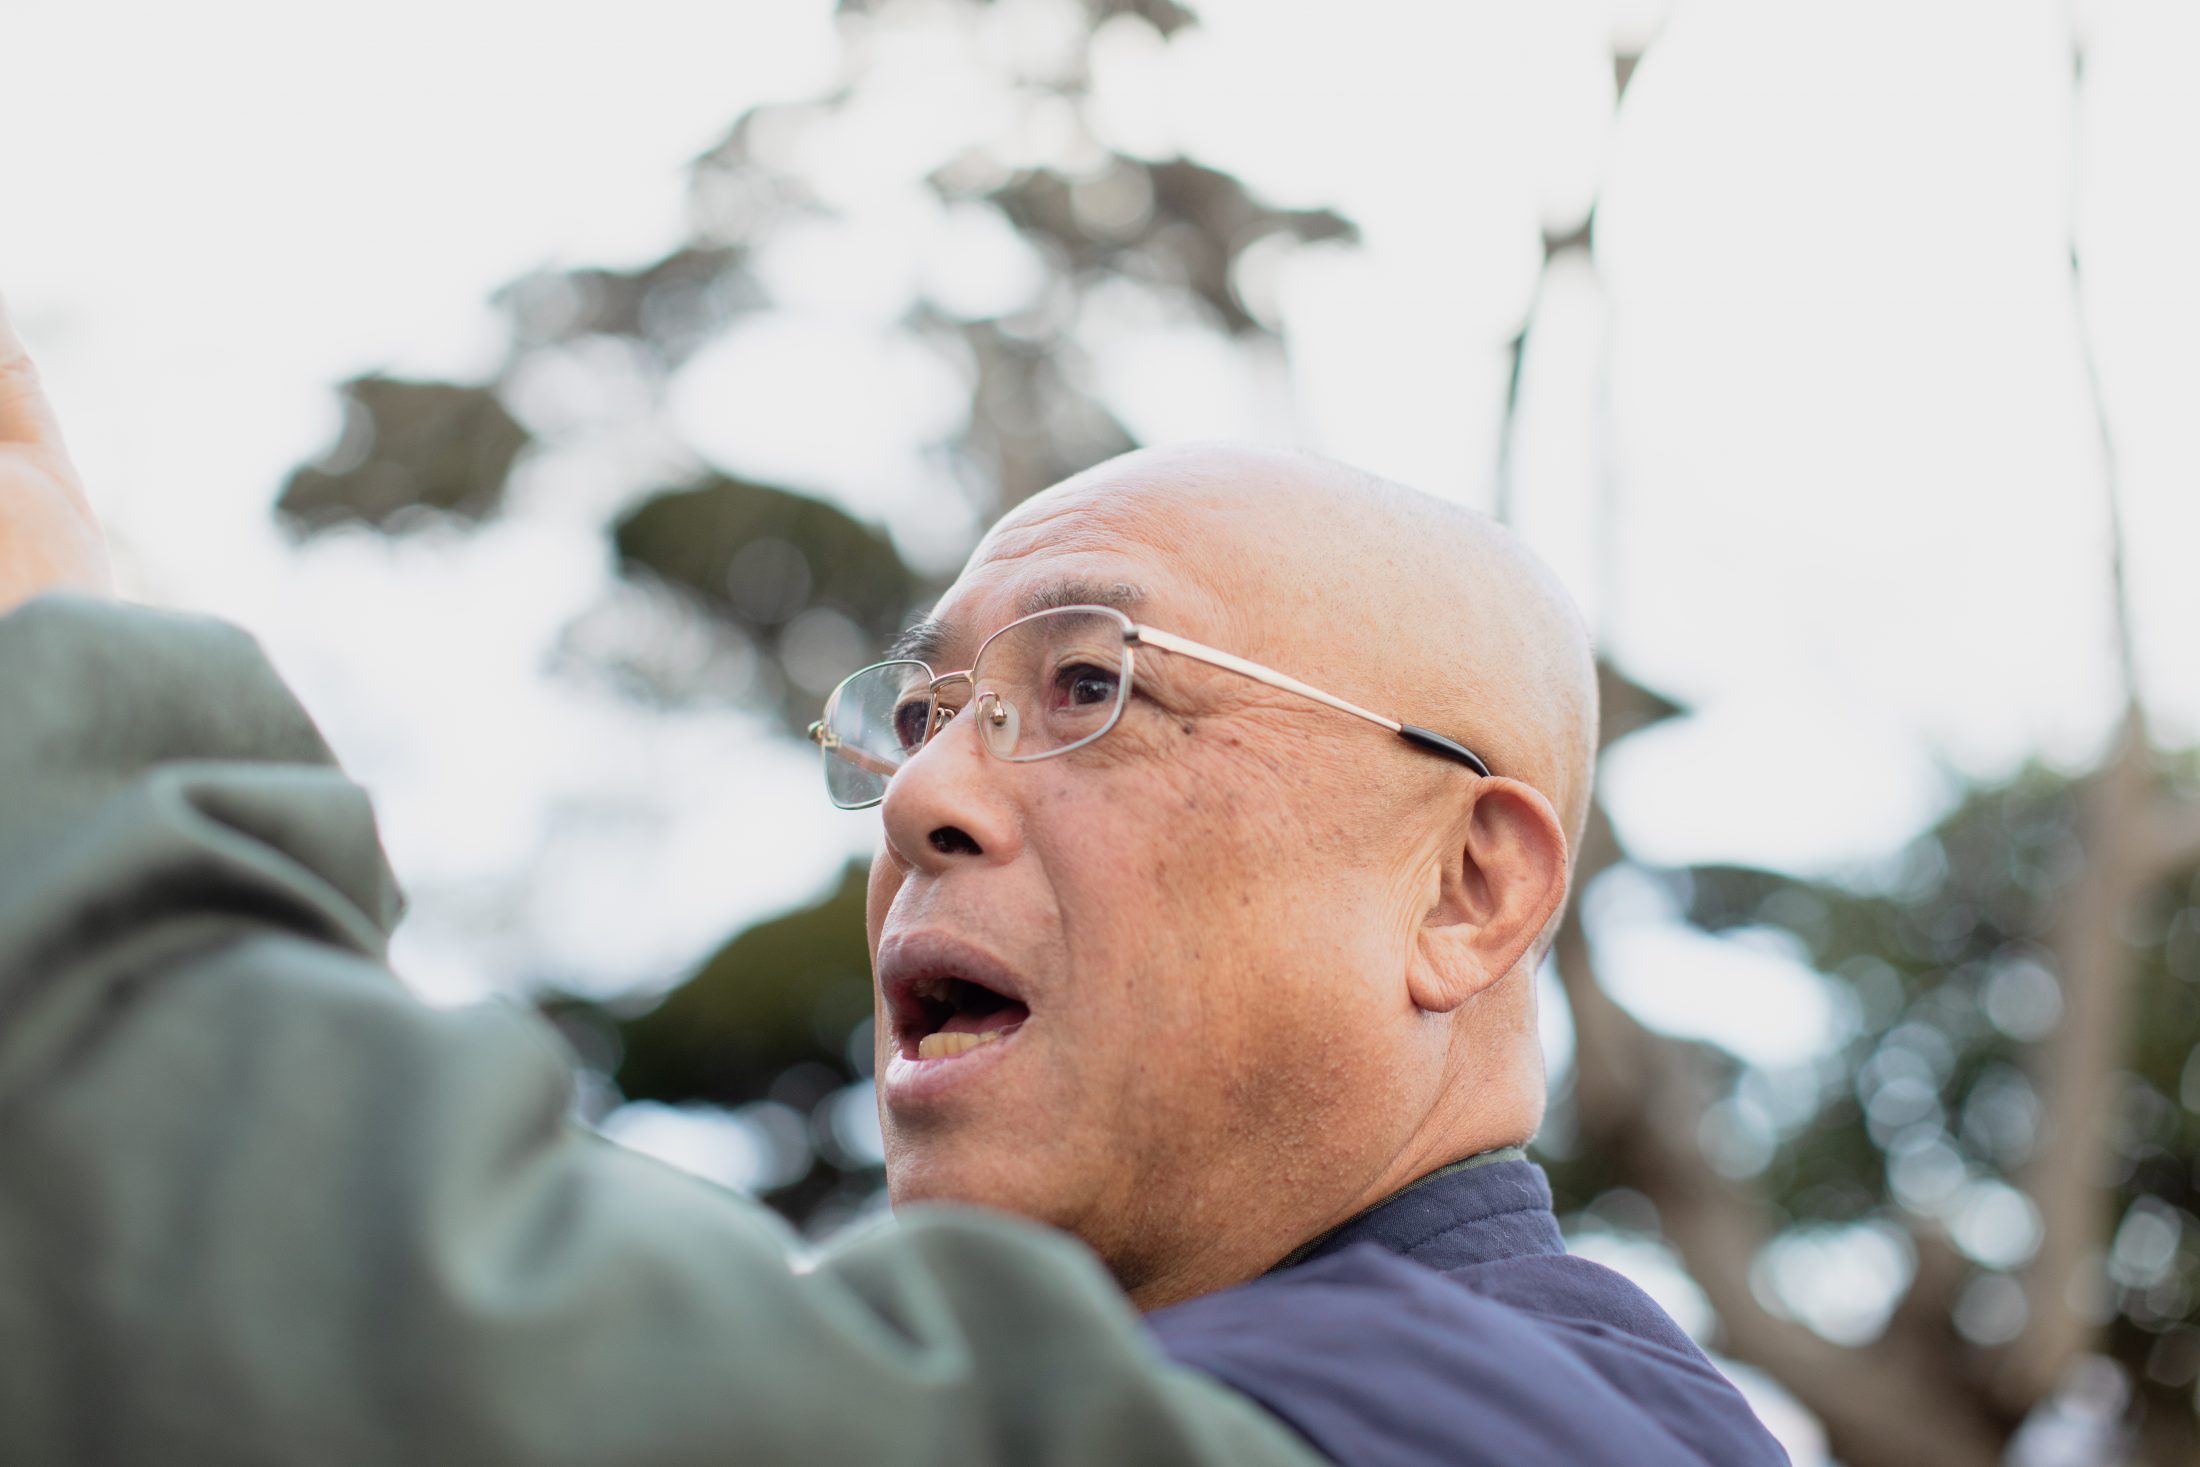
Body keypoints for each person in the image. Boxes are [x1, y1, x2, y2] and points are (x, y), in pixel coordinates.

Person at [0, 294, 1787, 1465]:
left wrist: (49, 686)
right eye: (920, 714)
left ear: (1469, 891)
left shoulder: (1522, 1426)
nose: (923, 793)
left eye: (1094, 685)